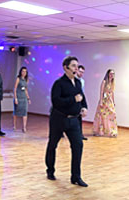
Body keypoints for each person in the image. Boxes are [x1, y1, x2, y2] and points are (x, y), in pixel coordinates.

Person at [45, 56, 88, 187]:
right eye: (74, 65)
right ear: (66, 67)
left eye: (77, 65)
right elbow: (56, 102)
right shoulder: (59, 83)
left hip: (74, 120)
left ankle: (76, 176)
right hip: (59, 119)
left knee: (78, 146)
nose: (76, 68)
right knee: (53, 144)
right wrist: (73, 100)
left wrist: (84, 107)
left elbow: (82, 97)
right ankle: (50, 170)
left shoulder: (78, 82)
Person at [93, 69, 117, 137]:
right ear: (108, 74)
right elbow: (101, 92)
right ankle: (101, 131)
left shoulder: (112, 83)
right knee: (102, 116)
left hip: (109, 101)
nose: (112, 75)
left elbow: (112, 93)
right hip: (104, 101)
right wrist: (100, 101)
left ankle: (111, 131)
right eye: (110, 74)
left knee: (112, 115)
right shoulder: (104, 82)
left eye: (113, 74)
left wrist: (113, 101)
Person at [13, 67, 31, 132]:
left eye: (25, 72)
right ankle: (14, 126)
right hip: (18, 97)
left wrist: (28, 98)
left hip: (24, 98)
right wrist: (15, 98)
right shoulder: (18, 79)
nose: (24, 73)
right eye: (23, 71)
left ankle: (24, 127)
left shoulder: (26, 80)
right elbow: (15, 88)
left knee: (25, 112)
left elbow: (26, 90)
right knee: (16, 112)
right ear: (20, 72)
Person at [76, 65, 88, 140]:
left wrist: (84, 105)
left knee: (79, 118)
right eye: (80, 71)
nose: (81, 73)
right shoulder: (73, 80)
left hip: (79, 100)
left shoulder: (82, 81)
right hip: (73, 100)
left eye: (82, 72)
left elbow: (82, 92)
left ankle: (80, 135)